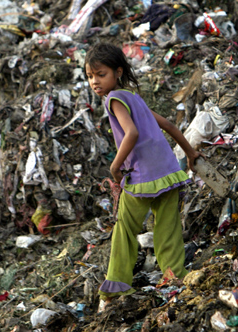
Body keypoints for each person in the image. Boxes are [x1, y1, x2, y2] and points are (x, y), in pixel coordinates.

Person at [84, 43, 203, 312]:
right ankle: (175, 278)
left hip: (142, 177)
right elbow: (169, 125)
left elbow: (132, 134)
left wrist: (115, 169)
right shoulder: (133, 97)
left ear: (118, 71)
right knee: (168, 228)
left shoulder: (114, 99)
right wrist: (190, 153)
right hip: (169, 172)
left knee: (125, 229)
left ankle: (115, 289)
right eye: (90, 76)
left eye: (100, 74)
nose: (94, 81)